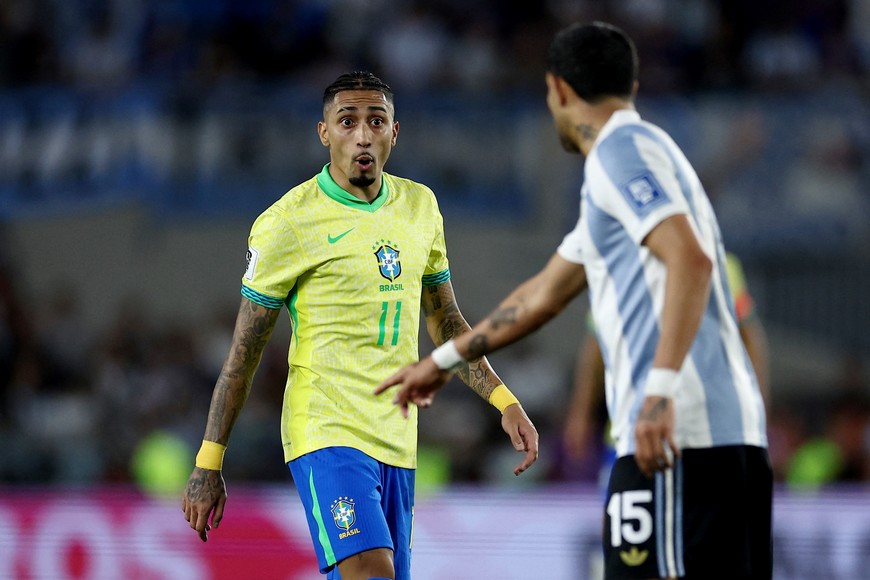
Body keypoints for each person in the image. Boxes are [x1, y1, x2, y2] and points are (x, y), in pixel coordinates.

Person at [377, 23, 772, 579]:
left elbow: (692, 259)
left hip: (678, 438)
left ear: (560, 90)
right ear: (630, 82)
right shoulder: (641, 163)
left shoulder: (619, 152)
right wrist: (442, 361)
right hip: (718, 439)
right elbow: (542, 296)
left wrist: (658, 394)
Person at [181, 71, 538, 580]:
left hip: (397, 437)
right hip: (326, 431)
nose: (363, 135)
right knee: (372, 572)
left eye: (376, 121)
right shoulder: (287, 223)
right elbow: (245, 353)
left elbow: (445, 321)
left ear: (396, 131)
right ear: (324, 133)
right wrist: (209, 460)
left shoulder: (420, 207)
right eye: (347, 122)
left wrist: (504, 401)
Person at [563, 252, 770, 477]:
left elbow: (749, 338)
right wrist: (580, 414)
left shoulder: (720, 263)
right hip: (631, 430)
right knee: (622, 509)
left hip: (709, 431)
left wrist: (756, 408)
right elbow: (596, 345)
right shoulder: (616, 264)